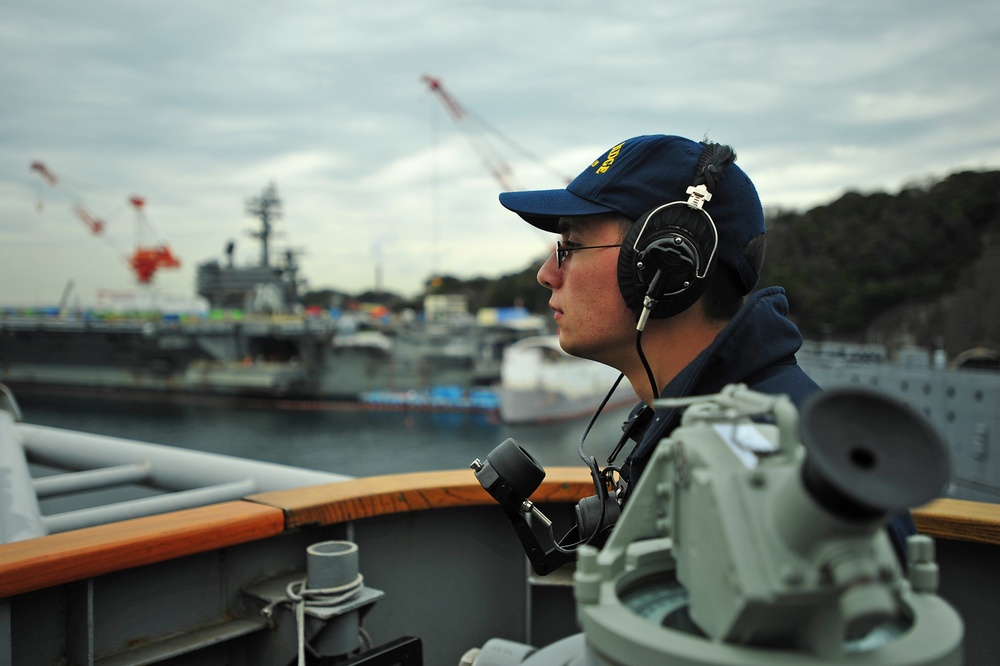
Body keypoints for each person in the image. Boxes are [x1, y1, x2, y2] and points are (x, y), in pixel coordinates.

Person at [498, 133, 915, 563]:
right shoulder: (708, 419)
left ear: (662, 265)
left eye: (570, 246)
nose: (547, 274)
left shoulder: (771, 472)